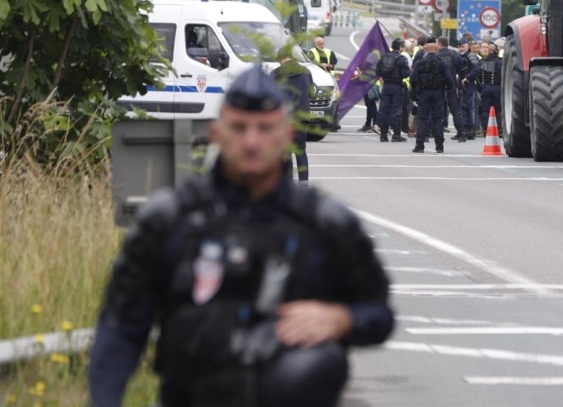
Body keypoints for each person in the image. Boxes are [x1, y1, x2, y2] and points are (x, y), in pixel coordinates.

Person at [88, 65, 394, 407]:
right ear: (217, 134)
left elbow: (379, 314)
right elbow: (122, 327)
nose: (251, 141)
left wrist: (343, 320)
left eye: (265, 129)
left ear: (287, 134)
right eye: (239, 128)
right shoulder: (171, 219)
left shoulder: (326, 224)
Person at [271, 49, 313, 185]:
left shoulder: (276, 74)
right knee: (301, 150)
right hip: (301, 117)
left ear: (281, 58)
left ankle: (288, 185)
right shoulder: (306, 72)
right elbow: (312, 93)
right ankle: (304, 183)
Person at [410, 39, 456, 154]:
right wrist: (446, 88)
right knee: (438, 120)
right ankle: (439, 146)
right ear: (436, 50)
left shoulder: (419, 63)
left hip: (424, 93)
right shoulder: (442, 62)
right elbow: (449, 80)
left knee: (422, 119)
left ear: (425, 50)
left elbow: (413, 79)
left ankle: (419, 145)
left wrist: (417, 91)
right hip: (438, 93)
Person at [375, 39, 409, 143]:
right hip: (397, 86)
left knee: (384, 110)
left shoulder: (384, 57)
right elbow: (405, 74)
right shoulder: (401, 58)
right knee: (396, 111)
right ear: (400, 47)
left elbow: (377, 71)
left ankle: (383, 135)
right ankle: (396, 135)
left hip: (386, 86)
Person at [435, 37, 468, 141]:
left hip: (438, 86)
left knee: (436, 109)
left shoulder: (436, 55)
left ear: (439, 44)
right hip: (451, 84)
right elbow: (459, 68)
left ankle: (435, 133)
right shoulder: (454, 54)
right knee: (455, 110)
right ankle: (461, 133)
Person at [478, 41, 503, 135]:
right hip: (497, 88)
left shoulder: (482, 62)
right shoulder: (500, 62)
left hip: (485, 88)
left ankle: (486, 130)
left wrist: (481, 88)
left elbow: (478, 75)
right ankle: (499, 129)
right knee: (498, 109)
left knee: (485, 109)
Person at [459, 40, 482, 140]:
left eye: (463, 46)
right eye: (460, 46)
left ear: (467, 46)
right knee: (465, 107)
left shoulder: (471, 56)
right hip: (463, 84)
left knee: (467, 107)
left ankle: (469, 130)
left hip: (469, 84)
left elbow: (477, 68)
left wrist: (467, 77)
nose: (461, 48)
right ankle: (467, 130)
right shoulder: (461, 56)